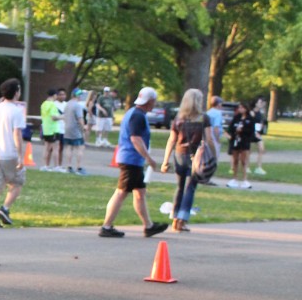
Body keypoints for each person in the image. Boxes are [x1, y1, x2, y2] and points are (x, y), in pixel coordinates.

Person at [98, 86, 170, 239]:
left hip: (133, 160)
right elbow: (135, 139)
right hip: (130, 159)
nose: (154, 104)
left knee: (139, 193)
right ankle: (106, 226)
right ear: (149, 101)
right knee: (121, 192)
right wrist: (149, 158)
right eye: (154, 101)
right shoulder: (137, 116)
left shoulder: (135, 113)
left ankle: (149, 226)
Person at [160, 88, 216, 232]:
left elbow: (171, 140)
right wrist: (214, 154)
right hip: (196, 156)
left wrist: (165, 160)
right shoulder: (203, 118)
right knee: (190, 187)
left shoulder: (179, 118)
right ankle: (182, 220)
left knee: (180, 187)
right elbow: (209, 139)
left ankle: (174, 217)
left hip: (179, 154)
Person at [0, 77, 26, 228]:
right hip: (10, 154)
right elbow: (17, 135)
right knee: (17, 183)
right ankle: (5, 208)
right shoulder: (17, 111)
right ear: (16, 92)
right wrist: (21, 156)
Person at [226, 102, 255, 188]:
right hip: (236, 141)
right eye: (239, 108)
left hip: (244, 142)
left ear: (246, 109)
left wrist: (243, 131)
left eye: (242, 108)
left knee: (244, 161)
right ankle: (234, 178)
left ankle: (245, 179)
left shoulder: (250, 119)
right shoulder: (236, 117)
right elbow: (230, 128)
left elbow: (251, 131)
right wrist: (232, 134)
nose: (240, 109)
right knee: (235, 160)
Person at [62, 88, 88, 173]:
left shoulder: (67, 104)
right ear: (77, 96)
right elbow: (80, 118)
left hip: (67, 128)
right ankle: (79, 167)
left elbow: (64, 116)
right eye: (80, 95)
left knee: (69, 147)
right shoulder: (77, 106)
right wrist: (83, 128)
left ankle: (69, 166)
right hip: (76, 129)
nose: (81, 97)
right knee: (80, 147)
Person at [40, 89, 61, 170]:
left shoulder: (44, 104)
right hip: (53, 129)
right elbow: (53, 117)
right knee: (56, 148)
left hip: (46, 128)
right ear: (54, 95)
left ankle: (45, 165)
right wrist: (62, 117)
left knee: (46, 148)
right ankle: (56, 166)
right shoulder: (52, 105)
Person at [249, 97, 268, 176]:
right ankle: (246, 167)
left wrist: (260, 131)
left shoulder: (260, 113)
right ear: (255, 103)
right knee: (249, 151)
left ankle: (258, 168)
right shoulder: (251, 112)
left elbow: (260, 123)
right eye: (260, 102)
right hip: (250, 133)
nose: (262, 104)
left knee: (261, 149)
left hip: (257, 134)